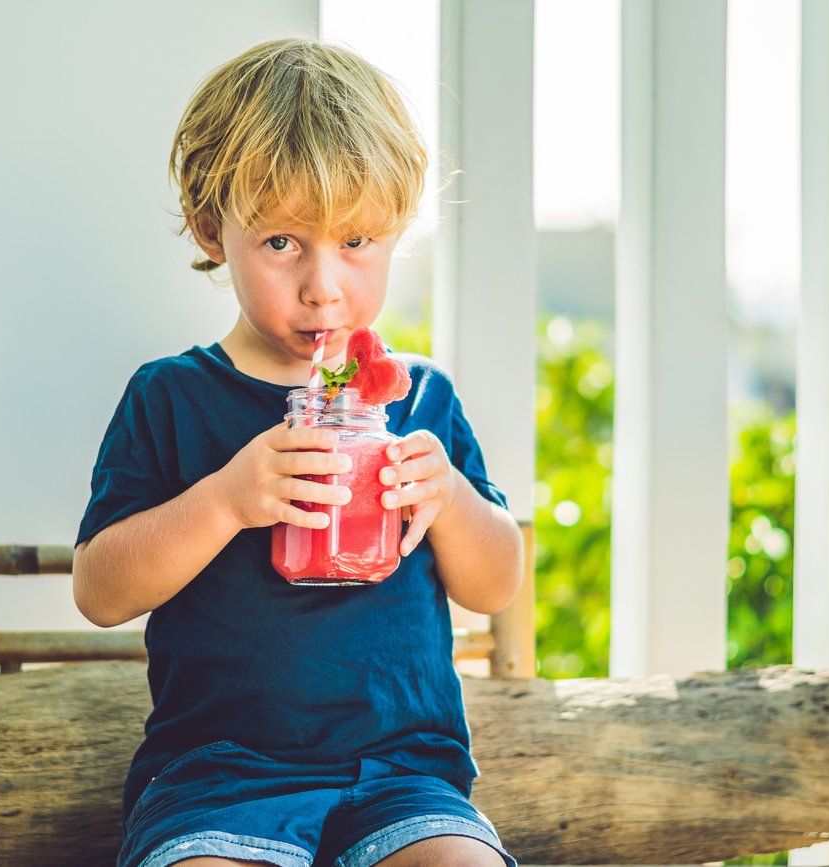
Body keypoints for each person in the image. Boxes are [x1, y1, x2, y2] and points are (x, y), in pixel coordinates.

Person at [72, 37, 524, 867]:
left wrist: (452, 499)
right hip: (215, 780)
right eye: (283, 242)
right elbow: (100, 590)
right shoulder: (171, 398)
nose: (325, 284)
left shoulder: (421, 400)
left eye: (357, 241)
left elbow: (495, 584)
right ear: (215, 229)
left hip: (406, 781)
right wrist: (224, 500)